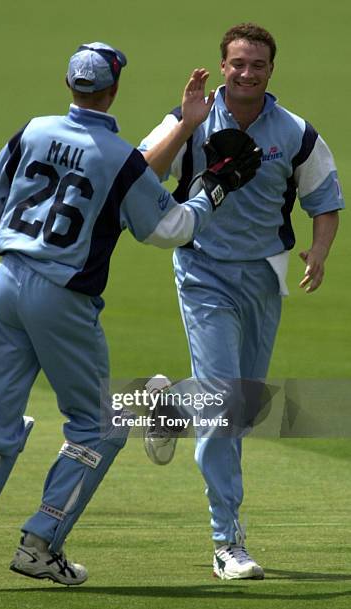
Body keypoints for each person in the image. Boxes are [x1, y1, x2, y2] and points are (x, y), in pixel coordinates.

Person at [0, 42, 262, 592]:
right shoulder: (118, 157)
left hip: (6, 284)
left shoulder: (33, 129)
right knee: (99, 424)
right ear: (114, 89)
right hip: (63, 298)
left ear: (70, 86)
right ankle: (40, 542)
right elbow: (169, 229)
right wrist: (211, 191)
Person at [140, 23, 344, 580]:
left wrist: (319, 252)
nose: (246, 72)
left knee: (242, 405)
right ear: (221, 66)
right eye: (236, 63)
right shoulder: (192, 116)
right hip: (202, 270)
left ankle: (168, 405)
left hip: (264, 276)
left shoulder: (297, 132)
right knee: (225, 407)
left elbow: (324, 200)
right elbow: (142, 176)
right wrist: (185, 125)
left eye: (256, 64)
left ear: (271, 70)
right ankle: (227, 542)